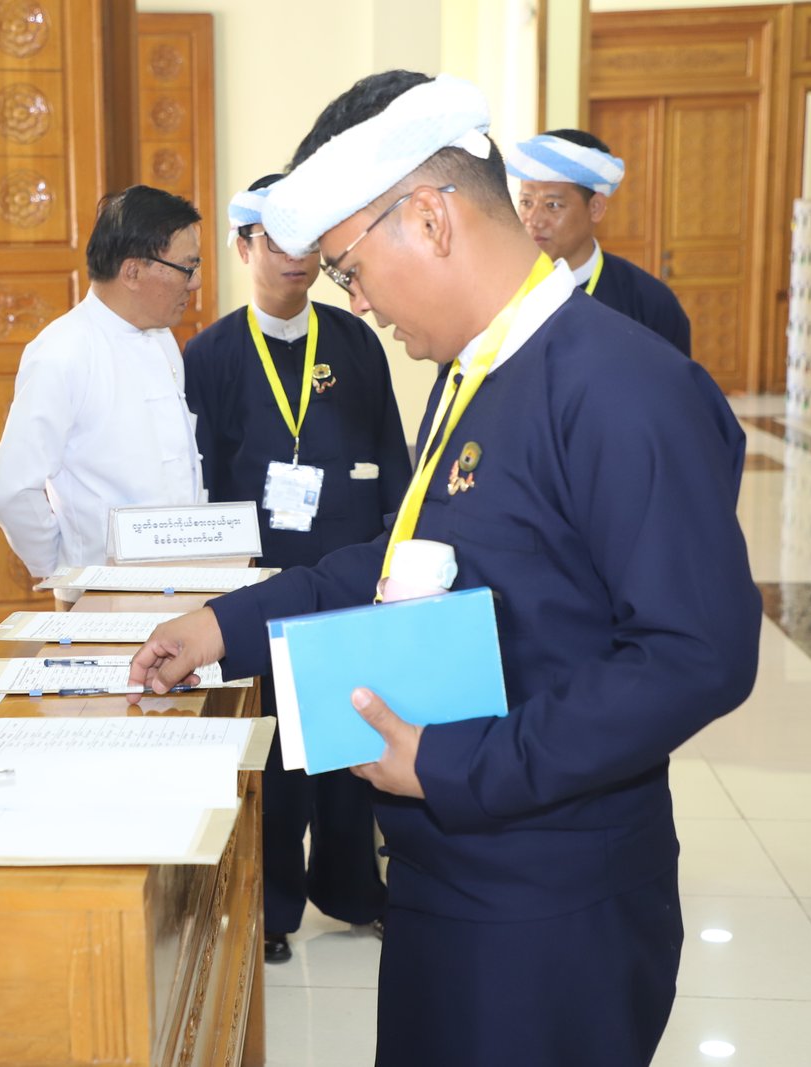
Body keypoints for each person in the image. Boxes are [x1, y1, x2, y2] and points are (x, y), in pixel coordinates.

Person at [129, 71, 760, 1065]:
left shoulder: (620, 386)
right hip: (448, 861)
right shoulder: (475, 372)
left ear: (428, 218)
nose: (357, 301)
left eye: (349, 268)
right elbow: (406, 561)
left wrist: (452, 764)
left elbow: (695, 655)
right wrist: (225, 624)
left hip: (548, 897)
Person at [183, 174, 411, 963]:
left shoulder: (355, 341)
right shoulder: (210, 354)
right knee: (276, 758)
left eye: (310, 240)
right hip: (259, 589)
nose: (297, 256)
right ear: (242, 246)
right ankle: (272, 909)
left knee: (353, 747)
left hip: (349, 580)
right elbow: (200, 479)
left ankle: (356, 892)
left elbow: (390, 453)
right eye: (277, 240)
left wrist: (397, 555)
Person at [0, 185, 207, 579]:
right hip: (103, 588)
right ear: (133, 271)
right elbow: (12, 488)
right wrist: (60, 571)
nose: (195, 283)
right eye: (186, 268)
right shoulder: (63, 351)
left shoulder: (163, 340)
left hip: (184, 579)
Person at [507, 129, 692, 357]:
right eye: (526, 202)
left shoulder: (648, 302)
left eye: (552, 205)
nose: (533, 220)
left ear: (596, 208)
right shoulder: (500, 289)